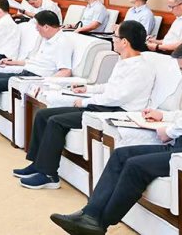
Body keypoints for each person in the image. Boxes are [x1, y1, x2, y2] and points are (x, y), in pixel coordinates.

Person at [50, 38, 182, 235]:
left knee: (136, 166)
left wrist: (168, 131)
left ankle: (99, 224)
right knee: (121, 155)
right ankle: (90, 214)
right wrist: (163, 116)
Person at [14, 20, 156, 189]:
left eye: (115, 36)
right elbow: (110, 87)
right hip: (105, 105)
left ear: (124, 42)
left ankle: (49, 175)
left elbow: (116, 98)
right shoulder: (123, 61)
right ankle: (37, 164)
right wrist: (88, 89)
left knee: (56, 121)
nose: (113, 39)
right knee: (43, 115)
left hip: (117, 111)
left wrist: (86, 101)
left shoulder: (140, 68)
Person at [0, 11, 75, 141]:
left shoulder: (62, 43)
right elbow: (35, 62)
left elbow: (65, 71)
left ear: (46, 26)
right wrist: (14, 62)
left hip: (35, 78)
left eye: (38, 26)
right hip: (26, 72)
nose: (36, 29)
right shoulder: (47, 39)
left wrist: (45, 83)